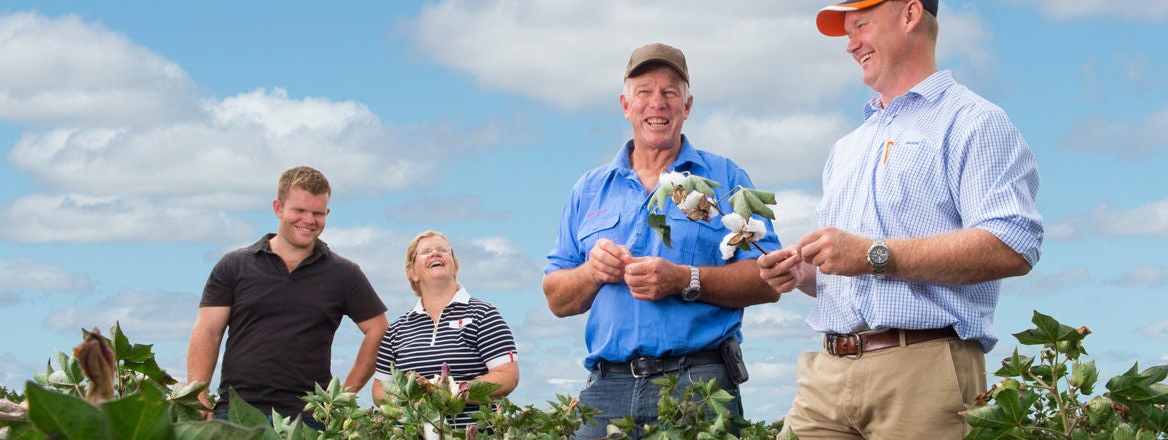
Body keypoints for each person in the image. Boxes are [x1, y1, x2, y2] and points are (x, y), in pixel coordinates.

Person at [758, 0, 1044, 439]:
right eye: (848, 34)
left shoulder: (975, 122)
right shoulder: (847, 147)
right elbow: (850, 271)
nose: (851, 45)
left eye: (862, 26)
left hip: (925, 371)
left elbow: (1012, 245)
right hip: (826, 375)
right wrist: (803, 274)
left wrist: (874, 254)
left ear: (911, 15)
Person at [543, 42, 782, 439]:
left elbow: (770, 279)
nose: (658, 103)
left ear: (687, 106)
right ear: (625, 104)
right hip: (606, 388)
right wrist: (592, 272)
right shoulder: (589, 189)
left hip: (698, 383)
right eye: (644, 92)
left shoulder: (725, 178)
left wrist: (684, 280)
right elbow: (556, 297)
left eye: (670, 92)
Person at [186, 166, 389, 427]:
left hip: (308, 421)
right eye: (300, 211)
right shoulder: (234, 266)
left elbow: (379, 330)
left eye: (318, 213)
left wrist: (342, 396)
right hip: (237, 413)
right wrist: (198, 394)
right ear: (278, 208)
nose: (309, 220)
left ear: (327, 213)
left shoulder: (344, 274)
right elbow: (208, 331)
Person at [372, 230, 520, 430]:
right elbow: (380, 388)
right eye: (425, 252)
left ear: (455, 266)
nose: (435, 253)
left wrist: (451, 392)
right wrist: (410, 403)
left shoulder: (484, 314)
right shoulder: (397, 330)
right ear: (412, 273)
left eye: (443, 250)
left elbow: (507, 375)